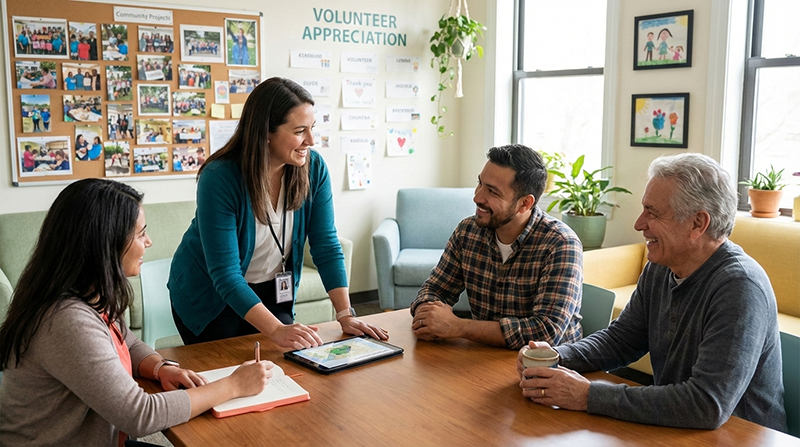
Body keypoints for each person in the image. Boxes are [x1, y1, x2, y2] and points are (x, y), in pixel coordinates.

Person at [516, 153, 787, 432]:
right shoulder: (661, 266)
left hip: (741, 437)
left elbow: (706, 404)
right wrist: (557, 357)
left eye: (652, 212)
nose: (639, 223)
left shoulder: (740, 287)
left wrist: (587, 395)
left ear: (698, 224)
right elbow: (621, 341)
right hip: (678, 429)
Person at [0, 179, 273, 446]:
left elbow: (125, 341)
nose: (149, 242)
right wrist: (232, 386)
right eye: (141, 233)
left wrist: (159, 367)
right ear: (106, 242)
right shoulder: (66, 319)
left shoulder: (88, 294)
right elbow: (139, 415)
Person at [168, 77, 388, 348]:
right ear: (266, 133)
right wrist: (276, 330)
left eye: (312, 128)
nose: (311, 140)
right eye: (299, 131)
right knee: (233, 373)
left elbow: (326, 245)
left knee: (288, 360)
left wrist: (345, 315)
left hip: (272, 289)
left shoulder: (313, 168)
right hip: (211, 296)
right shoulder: (220, 178)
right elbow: (225, 275)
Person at [409, 144, 583, 350]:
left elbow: (545, 332)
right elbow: (435, 289)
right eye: (480, 183)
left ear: (525, 204)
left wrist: (458, 326)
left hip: (549, 369)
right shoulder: (468, 231)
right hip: (484, 356)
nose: (477, 197)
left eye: (492, 191)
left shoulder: (561, 244)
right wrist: (427, 312)